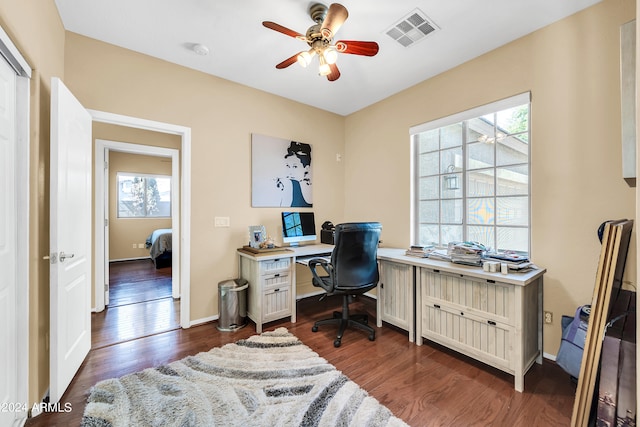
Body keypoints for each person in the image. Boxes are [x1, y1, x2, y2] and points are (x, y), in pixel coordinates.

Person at [275, 141, 312, 207]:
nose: (290, 172)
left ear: (306, 168)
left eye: (295, 167)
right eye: (288, 166)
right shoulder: (287, 184)